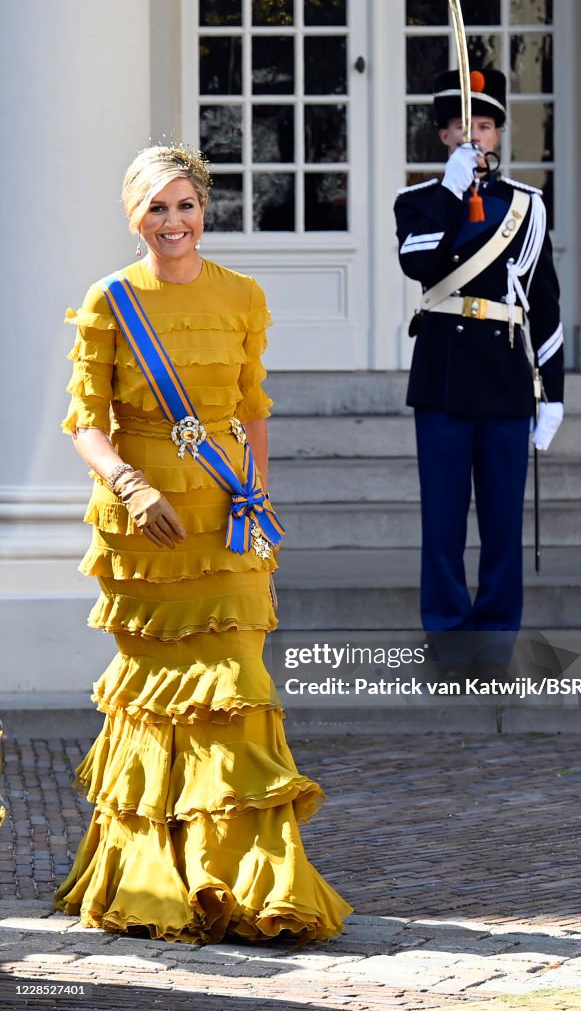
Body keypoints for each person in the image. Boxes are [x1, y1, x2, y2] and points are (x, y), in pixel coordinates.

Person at [54, 144, 352, 943]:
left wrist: (256, 498)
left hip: (226, 521)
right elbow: (85, 422)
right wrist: (131, 484)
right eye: (156, 207)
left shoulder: (243, 295)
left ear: (204, 208)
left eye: (185, 204)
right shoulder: (110, 298)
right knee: (158, 702)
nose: (173, 222)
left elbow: (253, 410)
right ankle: (154, 881)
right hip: (145, 529)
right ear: (134, 216)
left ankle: (248, 884)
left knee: (243, 686)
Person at [394, 69, 564, 640]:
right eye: (463, 127)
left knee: (500, 522)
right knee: (442, 522)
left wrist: (555, 394)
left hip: (505, 377)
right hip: (442, 375)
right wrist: (449, 190)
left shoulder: (528, 207)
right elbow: (418, 264)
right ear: (444, 137)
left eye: (485, 127)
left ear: (497, 136)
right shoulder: (418, 202)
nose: (475, 137)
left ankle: (496, 637)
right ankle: (444, 633)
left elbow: (543, 299)